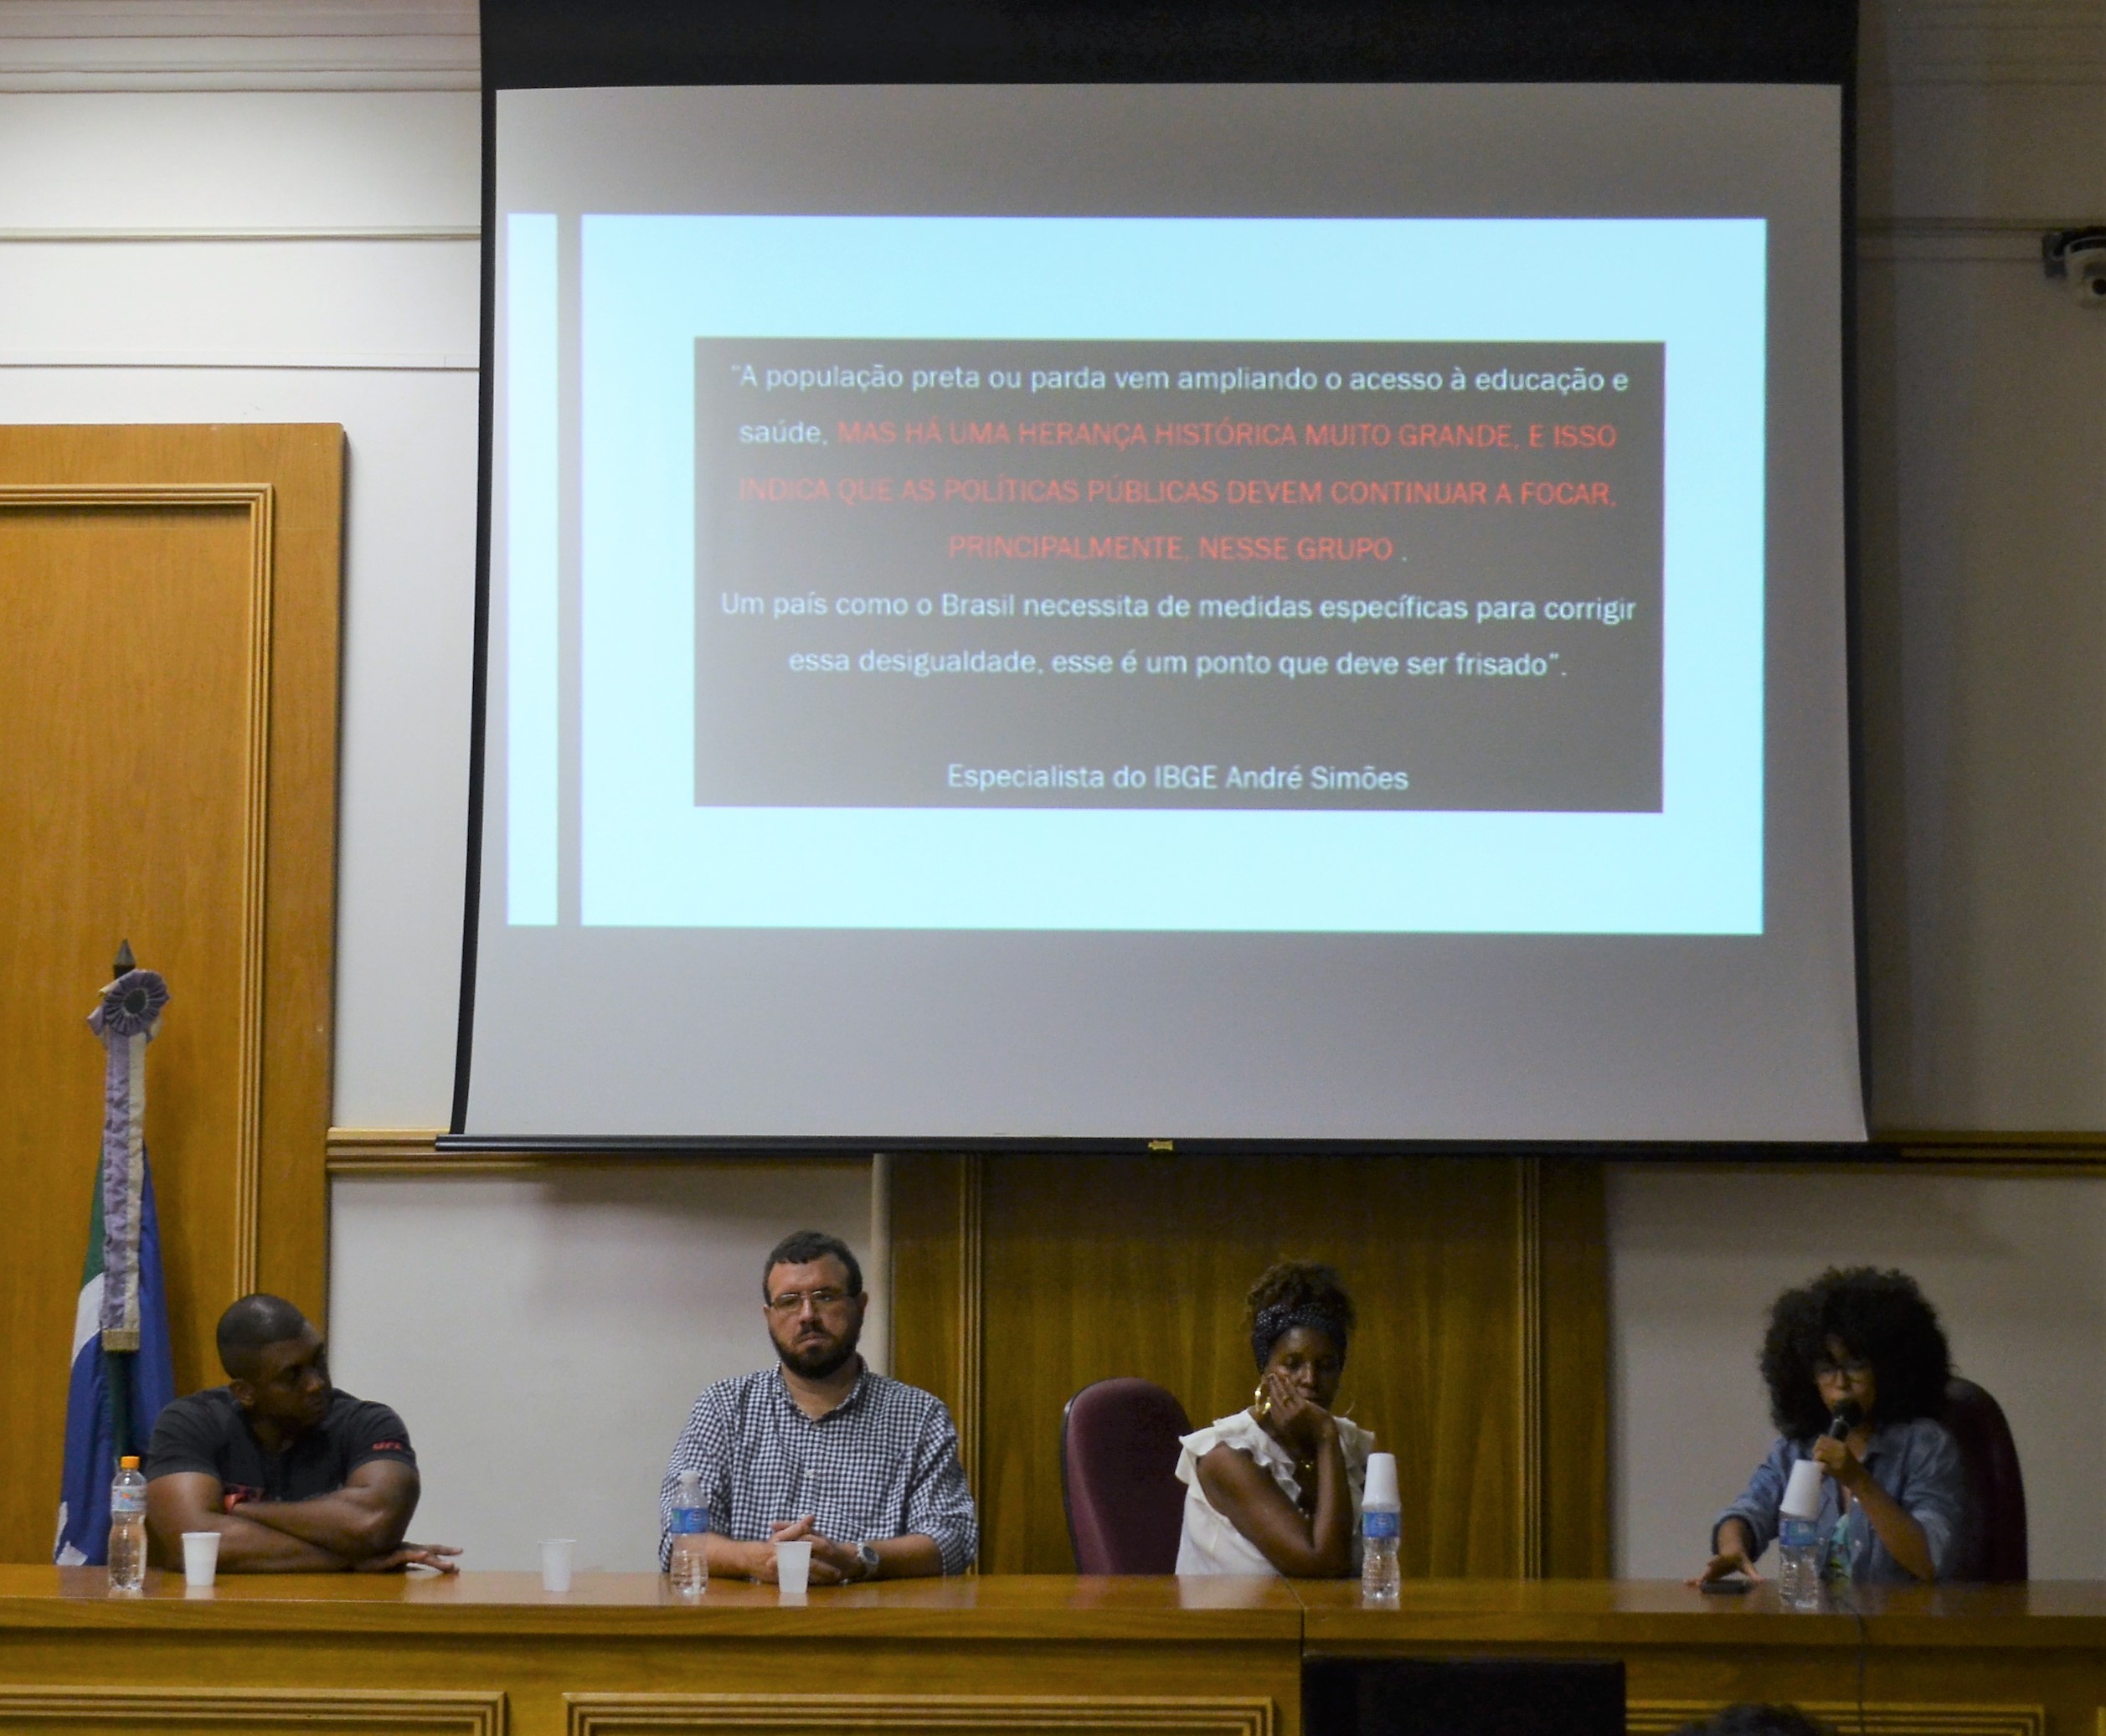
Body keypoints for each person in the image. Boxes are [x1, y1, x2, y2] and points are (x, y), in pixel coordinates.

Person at [658, 1229, 976, 1583]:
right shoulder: (723, 1408)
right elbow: (679, 1542)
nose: (807, 1314)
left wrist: (858, 1558)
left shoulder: (920, 1416)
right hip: (746, 1628)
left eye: (824, 1297)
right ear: (769, 1316)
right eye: (789, 1301)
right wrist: (756, 1559)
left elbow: (953, 1539)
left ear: (860, 1306)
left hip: (871, 1630)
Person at [143, 1293, 458, 1573]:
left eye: (318, 1360)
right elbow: (191, 1546)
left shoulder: (368, 1422)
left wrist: (239, 1510)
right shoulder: (191, 1422)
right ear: (245, 1392)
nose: (316, 1383)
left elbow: (373, 1524)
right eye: (292, 1375)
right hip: (221, 1621)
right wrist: (352, 1558)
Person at [1697, 1265, 1966, 1588]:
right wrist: (1733, 1547)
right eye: (1826, 1368)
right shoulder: (1798, 1448)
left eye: (1856, 1365)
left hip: (1904, 1631)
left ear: (1888, 1368)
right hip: (1820, 1630)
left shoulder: (1925, 1446)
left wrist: (1859, 1481)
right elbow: (1750, 1508)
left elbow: (1929, 1561)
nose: (1841, 1383)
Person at [1175, 1260, 1375, 1576]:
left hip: (1332, 1624)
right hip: (1230, 1624)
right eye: (1293, 1364)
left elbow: (1370, 1569)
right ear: (1266, 1371)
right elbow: (1324, 1567)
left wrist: (1329, 1442)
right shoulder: (1224, 1457)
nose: (1310, 1379)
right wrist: (1325, 1438)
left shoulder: (1354, 1448)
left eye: (1326, 1365)